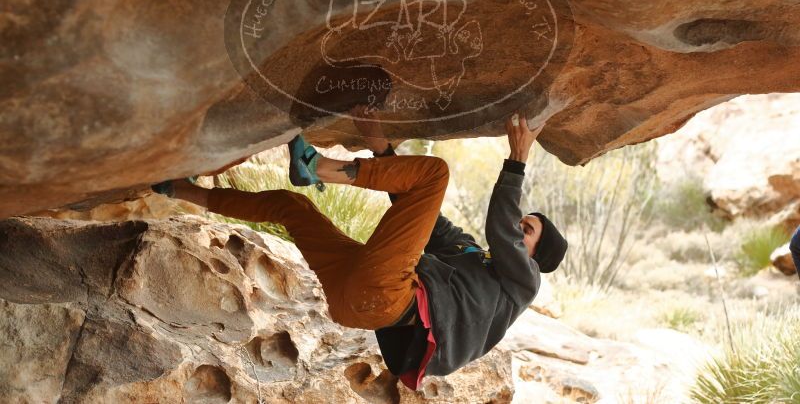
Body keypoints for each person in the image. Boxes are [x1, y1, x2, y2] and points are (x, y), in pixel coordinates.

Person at [152, 108, 567, 389]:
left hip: (391, 298)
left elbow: (499, 229)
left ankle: (314, 167)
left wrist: (517, 160)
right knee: (291, 208)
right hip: (355, 303)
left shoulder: (523, 285)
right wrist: (379, 144)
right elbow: (414, 209)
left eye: (526, 229)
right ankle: (182, 189)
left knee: (435, 172)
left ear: (534, 256)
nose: (517, 226)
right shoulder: (469, 255)